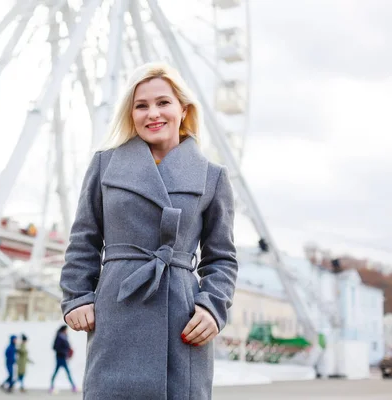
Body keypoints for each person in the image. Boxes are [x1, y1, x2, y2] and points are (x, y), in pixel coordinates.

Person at [59, 62, 238, 399]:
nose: (152, 113)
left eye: (163, 102)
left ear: (183, 109)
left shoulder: (212, 176)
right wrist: (77, 297)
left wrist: (212, 307)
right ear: (131, 113)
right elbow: (83, 240)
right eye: (141, 105)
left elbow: (222, 258)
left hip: (182, 318)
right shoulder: (105, 165)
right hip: (117, 310)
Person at [50, 325, 77, 393]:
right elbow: (55, 347)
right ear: (63, 330)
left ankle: (51, 386)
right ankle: (73, 386)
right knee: (66, 372)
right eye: (66, 330)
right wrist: (64, 352)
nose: (66, 331)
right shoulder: (59, 337)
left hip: (63, 357)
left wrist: (68, 352)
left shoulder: (64, 337)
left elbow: (67, 346)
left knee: (60, 372)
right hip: (60, 358)